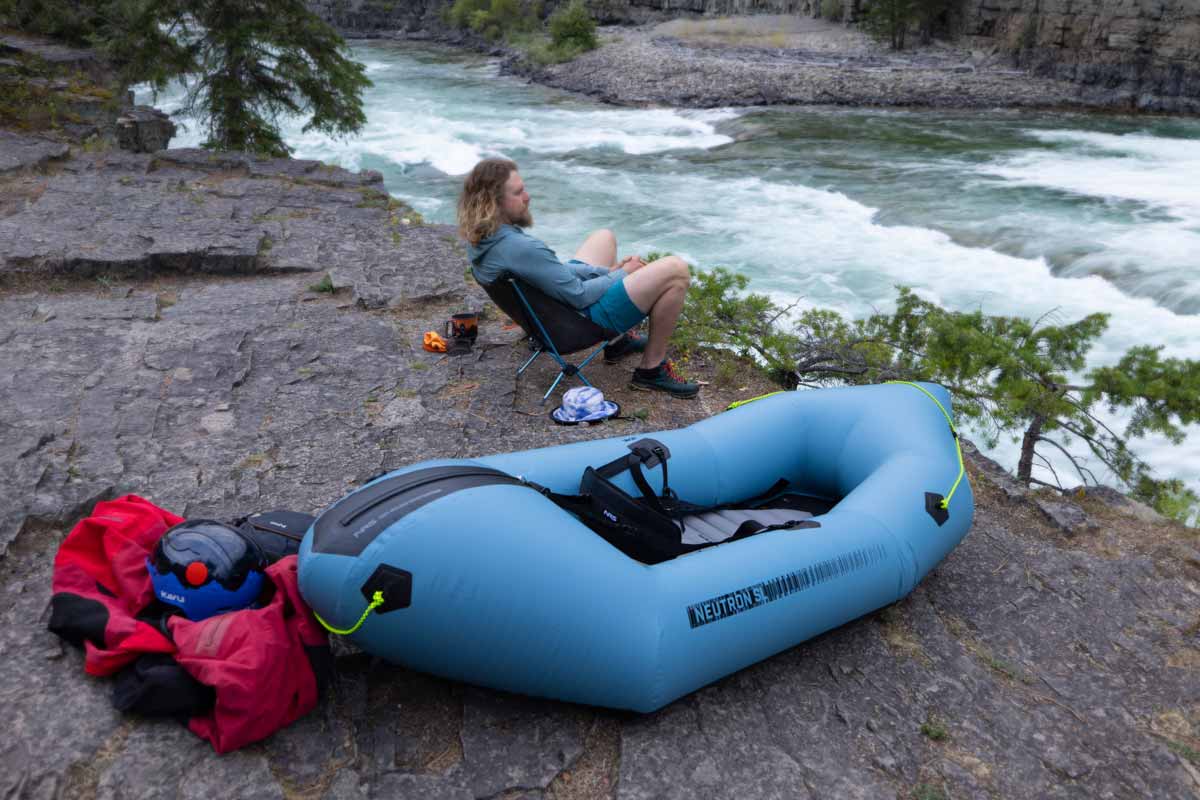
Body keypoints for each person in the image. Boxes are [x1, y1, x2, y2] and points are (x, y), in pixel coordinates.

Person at [458, 157, 699, 399]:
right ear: (495, 203)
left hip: (547, 318)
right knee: (675, 269)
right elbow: (579, 296)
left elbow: (553, 273)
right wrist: (623, 274)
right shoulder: (519, 247)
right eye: (518, 192)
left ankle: (617, 343)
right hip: (578, 324)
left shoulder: (482, 238)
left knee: (603, 237)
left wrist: (610, 273)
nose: (527, 197)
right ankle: (651, 371)